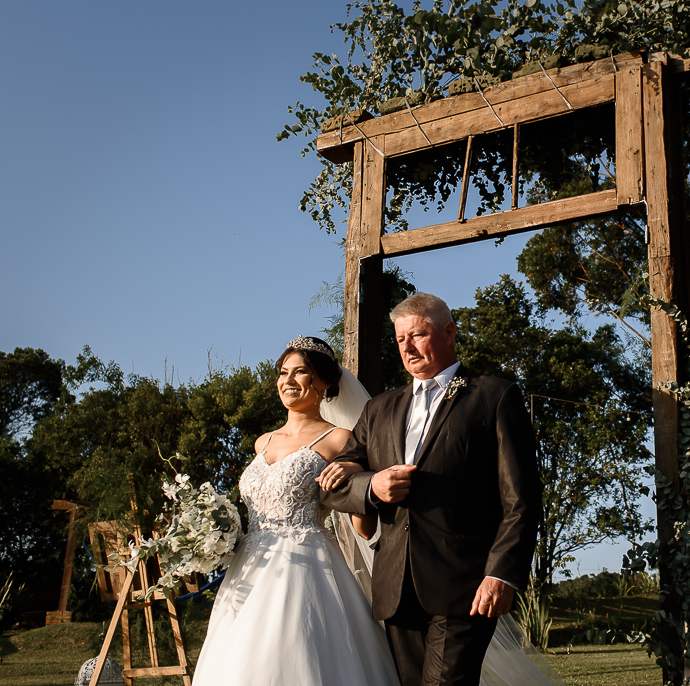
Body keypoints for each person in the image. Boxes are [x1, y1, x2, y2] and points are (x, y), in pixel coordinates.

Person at [320, 292, 542, 686]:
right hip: (395, 588)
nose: (407, 347)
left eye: (418, 335)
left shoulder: (494, 396)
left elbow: (521, 499)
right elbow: (335, 486)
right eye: (400, 338)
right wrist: (373, 486)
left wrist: (502, 574)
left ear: (449, 332)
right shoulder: (379, 409)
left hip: (466, 584)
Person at [190, 335, 400, 686]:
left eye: (300, 372)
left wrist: (359, 476)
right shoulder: (263, 442)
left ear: (325, 382)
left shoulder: (340, 439)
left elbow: (363, 527)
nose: (287, 381)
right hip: (248, 567)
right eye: (283, 372)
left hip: (306, 565)